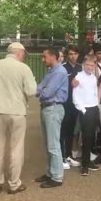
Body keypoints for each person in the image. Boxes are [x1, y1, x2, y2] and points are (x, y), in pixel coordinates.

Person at [0, 43, 37, 195]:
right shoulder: (23, 68)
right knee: (16, 148)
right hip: (17, 112)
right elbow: (31, 91)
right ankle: (13, 184)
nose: (24, 56)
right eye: (24, 53)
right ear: (19, 53)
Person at [35, 48, 68, 188]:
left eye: (45, 57)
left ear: (54, 57)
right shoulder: (52, 71)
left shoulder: (59, 72)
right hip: (47, 108)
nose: (43, 59)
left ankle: (57, 177)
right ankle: (50, 173)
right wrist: (42, 89)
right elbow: (38, 89)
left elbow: (45, 92)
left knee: (53, 144)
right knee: (48, 143)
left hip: (53, 108)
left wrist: (42, 89)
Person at [72, 55, 101, 176]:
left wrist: (96, 106)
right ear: (83, 64)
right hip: (85, 110)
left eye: (92, 65)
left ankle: (88, 161)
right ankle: (84, 165)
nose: (90, 67)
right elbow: (75, 97)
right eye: (88, 65)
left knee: (91, 137)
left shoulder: (93, 77)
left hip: (94, 108)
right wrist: (83, 110)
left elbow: (94, 93)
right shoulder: (79, 77)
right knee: (86, 137)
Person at [61, 45, 82, 170]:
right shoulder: (63, 68)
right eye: (70, 54)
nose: (72, 56)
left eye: (75, 53)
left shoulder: (81, 68)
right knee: (64, 130)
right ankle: (63, 156)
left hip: (77, 104)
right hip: (66, 103)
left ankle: (69, 155)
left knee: (73, 131)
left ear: (78, 55)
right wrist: (70, 84)